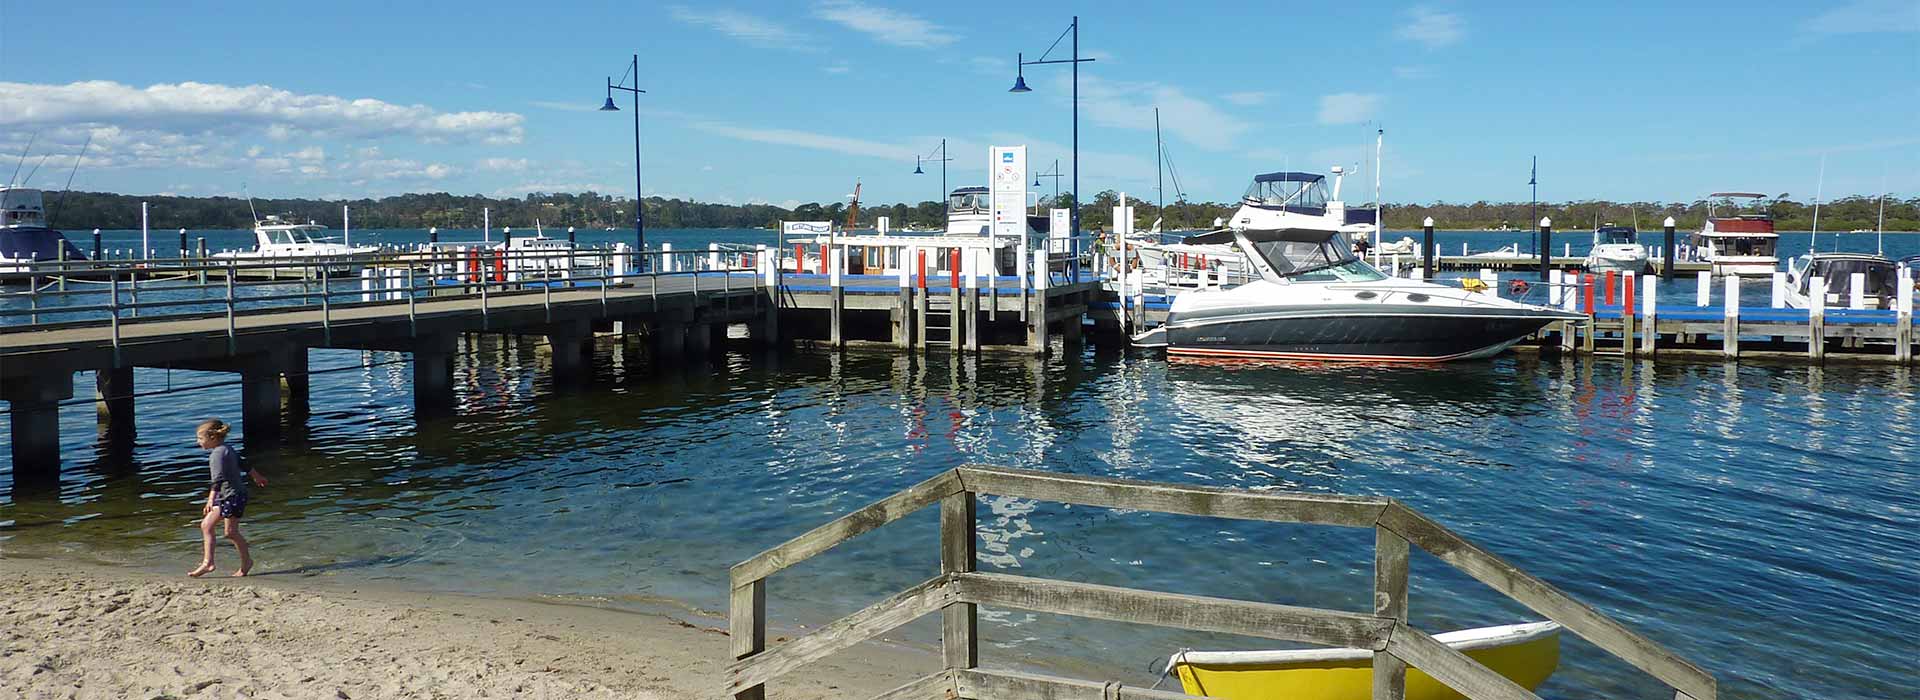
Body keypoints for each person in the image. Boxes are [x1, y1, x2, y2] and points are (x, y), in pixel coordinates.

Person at [189, 419, 267, 578]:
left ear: (212, 437)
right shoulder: (227, 448)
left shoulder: (217, 455)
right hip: (226, 495)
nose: (198, 442)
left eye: (200, 438)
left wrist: (210, 499)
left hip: (233, 496)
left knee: (230, 532)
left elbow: (217, 480)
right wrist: (256, 476)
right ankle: (208, 563)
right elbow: (243, 464)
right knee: (206, 525)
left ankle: (247, 563)